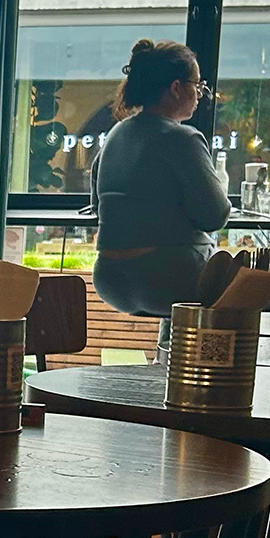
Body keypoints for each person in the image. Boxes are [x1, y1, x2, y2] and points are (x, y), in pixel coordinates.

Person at [91, 39, 230, 329]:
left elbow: (98, 205)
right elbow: (214, 216)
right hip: (168, 277)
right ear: (176, 88)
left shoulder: (116, 134)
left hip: (110, 277)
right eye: (197, 84)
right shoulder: (183, 138)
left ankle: (168, 354)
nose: (200, 94)